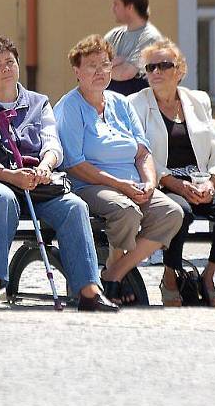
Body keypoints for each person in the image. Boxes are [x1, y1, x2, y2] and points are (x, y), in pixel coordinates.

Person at [0, 36, 118, 311]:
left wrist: (46, 166)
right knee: (2, 199)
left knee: (74, 206)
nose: (5, 68)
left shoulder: (39, 102)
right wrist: (10, 176)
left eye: (10, 62)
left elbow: (52, 143)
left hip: (39, 181)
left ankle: (89, 290)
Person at [55, 35, 183, 307]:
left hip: (133, 184)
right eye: (92, 66)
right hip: (89, 184)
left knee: (171, 213)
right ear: (77, 71)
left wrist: (149, 182)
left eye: (105, 64)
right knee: (125, 210)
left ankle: (115, 271)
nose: (101, 72)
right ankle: (115, 265)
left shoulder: (120, 103)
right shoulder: (70, 107)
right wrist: (121, 186)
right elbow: (75, 163)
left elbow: (143, 151)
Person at [128, 39, 215, 307]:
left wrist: (213, 181)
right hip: (163, 182)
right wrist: (177, 185)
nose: (156, 72)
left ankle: (208, 276)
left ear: (179, 70)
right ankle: (170, 276)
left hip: (202, 179)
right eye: (150, 67)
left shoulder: (199, 100)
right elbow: (141, 153)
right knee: (180, 213)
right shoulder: (135, 104)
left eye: (164, 65)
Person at [104, 0, 163, 96]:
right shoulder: (114, 35)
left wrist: (106, 67)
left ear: (130, 7)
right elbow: (93, 67)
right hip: (108, 107)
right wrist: (117, 62)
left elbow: (125, 73)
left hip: (136, 108)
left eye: (116, 4)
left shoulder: (150, 37)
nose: (113, 9)